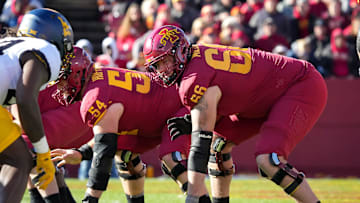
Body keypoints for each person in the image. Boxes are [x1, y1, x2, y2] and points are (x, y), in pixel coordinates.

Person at [143, 25, 327, 203]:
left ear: (180, 51)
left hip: (299, 85)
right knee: (218, 148)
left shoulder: (194, 79)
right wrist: (195, 120)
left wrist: (193, 195)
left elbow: (199, 147)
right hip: (259, 99)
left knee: (269, 159)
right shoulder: (196, 64)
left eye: (165, 61)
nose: (162, 70)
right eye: (157, 65)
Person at [50, 50, 192, 203]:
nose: (60, 87)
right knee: (124, 152)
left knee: (171, 159)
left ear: (77, 74)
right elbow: (107, 141)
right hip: (153, 115)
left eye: (62, 80)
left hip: (177, 106)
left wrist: (90, 199)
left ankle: (200, 198)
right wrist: (81, 153)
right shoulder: (99, 79)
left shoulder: (95, 95)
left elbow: (104, 152)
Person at [0, 8, 73, 203]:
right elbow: (25, 99)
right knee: (18, 160)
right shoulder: (45, 50)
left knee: (14, 158)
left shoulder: (9, 44)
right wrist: (43, 153)